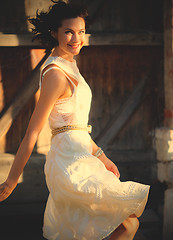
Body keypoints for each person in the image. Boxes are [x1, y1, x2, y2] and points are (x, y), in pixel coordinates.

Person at [0, 1, 150, 239]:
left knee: (124, 225)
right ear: (54, 33)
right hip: (68, 164)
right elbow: (32, 132)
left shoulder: (70, 64)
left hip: (82, 156)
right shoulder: (56, 75)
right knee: (126, 223)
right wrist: (11, 181)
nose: (76, 38)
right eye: (68, 31)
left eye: (80, 31)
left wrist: (102, 156)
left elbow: (74, 126)